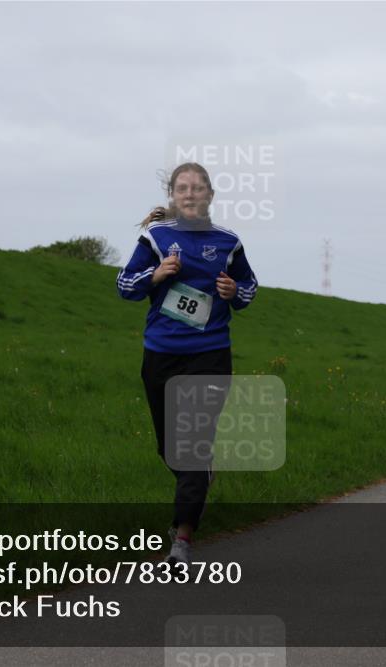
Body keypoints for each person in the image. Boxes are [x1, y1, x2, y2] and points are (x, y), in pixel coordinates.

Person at [116, 163, 258, 567]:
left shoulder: (228, 242)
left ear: (209, 195)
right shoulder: (156, 237)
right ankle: (199, 478)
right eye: (183, 188)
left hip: (210, 354)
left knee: (192, 444)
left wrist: (234, 290)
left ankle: (181, 539)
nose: (190, 194)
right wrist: (156, 274)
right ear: (173, 195)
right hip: (161, 354)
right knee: (170, 449)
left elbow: (250, 287)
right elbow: (124, 285)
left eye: (197, 188)